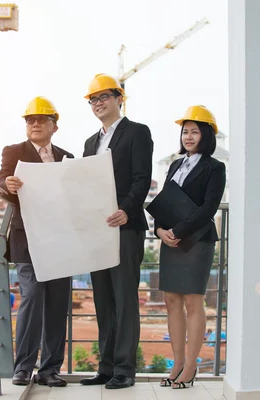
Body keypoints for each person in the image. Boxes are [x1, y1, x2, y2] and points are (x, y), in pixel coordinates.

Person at [79, 73, 153, 389]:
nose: (98, 103)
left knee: (124, 299)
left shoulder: (137, 132)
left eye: (104, 97)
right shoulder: (89, 143)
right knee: (103, 300)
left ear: (118, 98)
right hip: (98, 231)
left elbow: (141, 178)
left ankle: (124, 368)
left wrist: (127, 210)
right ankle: (106, 367)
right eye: (93, 99)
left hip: (125, 227)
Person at [0, 96, 74, 387]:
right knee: (31, 298)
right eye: (30, 120)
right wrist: (8, 184)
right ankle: (23, 367)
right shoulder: (14, 151)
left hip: (60, 241)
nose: (35, 124)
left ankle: (50, 369)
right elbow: (2, 179)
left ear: (54, 125)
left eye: (41, 119)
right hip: (27, 239)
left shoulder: (67, 157)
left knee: (57, 304)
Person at [154, 105, 226, 390]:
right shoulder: (174, 165)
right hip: (170, 239)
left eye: (195, 131)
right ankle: (178, 363)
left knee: (193, 302)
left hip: (197, 240)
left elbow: (209, 207)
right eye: (185, 131)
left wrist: (178, 230)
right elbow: (164, 201)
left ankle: (192, 366)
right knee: (171, 300)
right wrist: (160, 230)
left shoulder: (215, 167)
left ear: (207, 135)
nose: (188, 136)